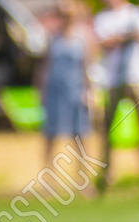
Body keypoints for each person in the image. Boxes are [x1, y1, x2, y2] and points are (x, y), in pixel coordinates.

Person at [93, 0, 139, 189]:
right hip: (113, 79)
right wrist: (124, 37)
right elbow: (103, 42)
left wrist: (130, 36)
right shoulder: (103, 18)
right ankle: (107, 173)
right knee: (108, 127)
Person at [40, 0, 95, 179]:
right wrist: (41, 91)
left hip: (76, 92)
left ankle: (83, 179)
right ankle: (48, 180)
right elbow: (45, 68)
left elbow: (88, 67)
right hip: (55, 93)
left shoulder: (83, 38)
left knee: (80, 136)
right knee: (50, 136)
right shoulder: (53, 38)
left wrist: (90, 91)